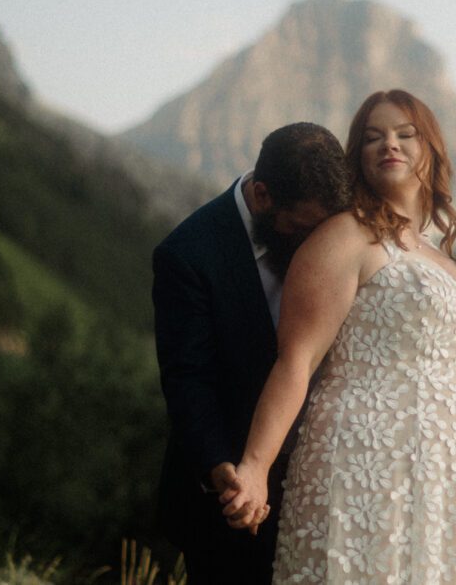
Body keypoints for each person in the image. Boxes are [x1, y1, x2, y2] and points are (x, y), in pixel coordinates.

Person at [222, 90, 456, 583]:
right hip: (364, 458)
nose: (388, 145)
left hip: (447, 468)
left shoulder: (443, 257)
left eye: (404, 134)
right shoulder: (345, 235)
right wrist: (255, 466)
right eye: (373, 138)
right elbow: (297, 359)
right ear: (358, 157)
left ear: (432, 150)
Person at [151, 122, 351, 585]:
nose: (314, 243)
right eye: (302, 228)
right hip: (229, 504)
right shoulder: (188, 254)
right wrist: (225, 471)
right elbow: (188, 379)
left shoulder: (328, 224)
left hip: (326, 487)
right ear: (262, 195)